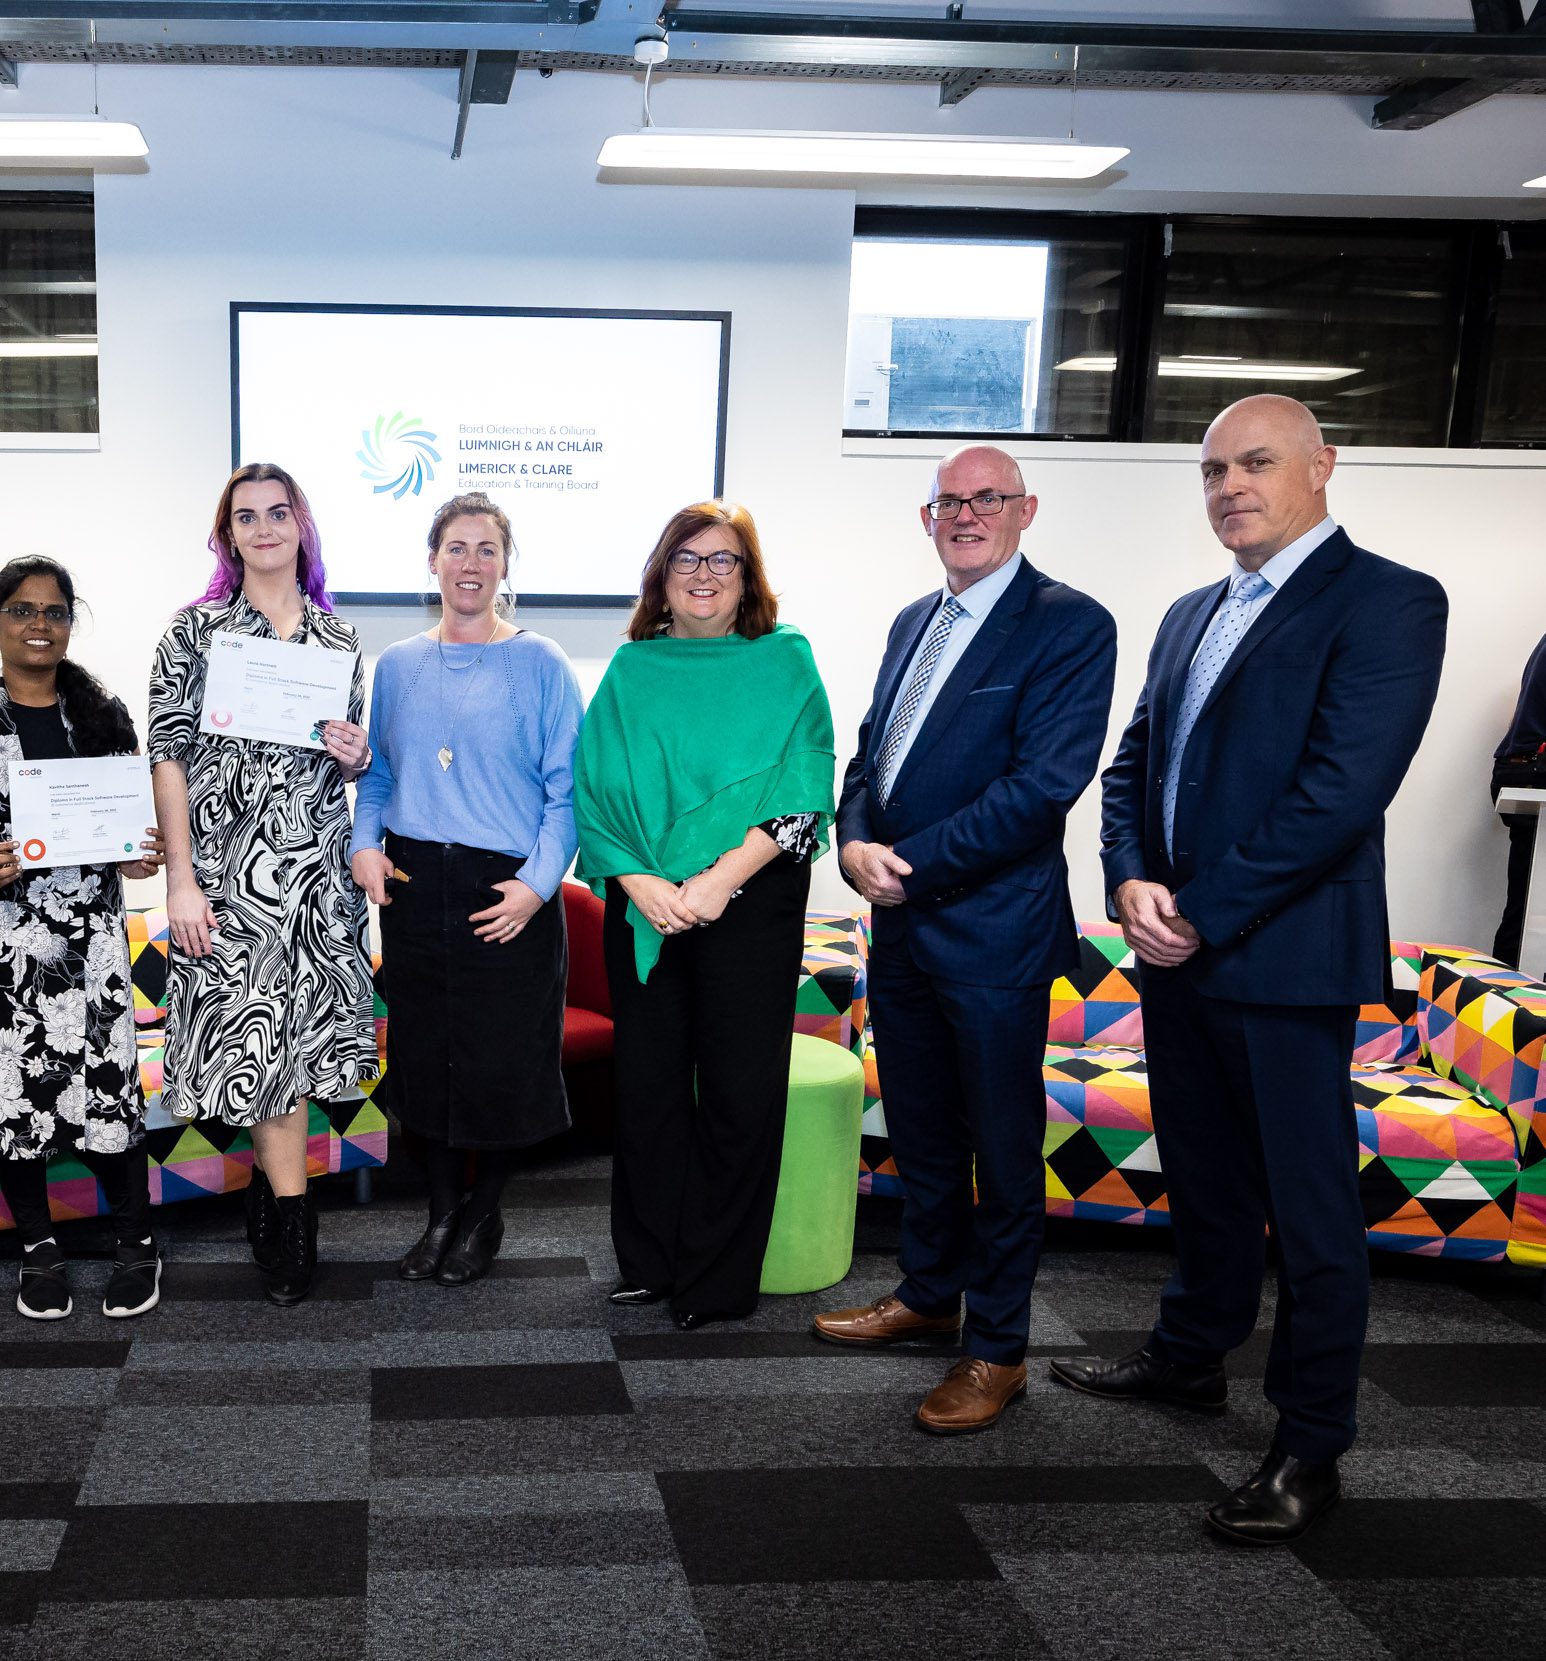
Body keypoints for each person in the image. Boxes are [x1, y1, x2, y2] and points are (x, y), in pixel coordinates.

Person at [1065, 394, 1447, 1545]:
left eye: (1257, 462)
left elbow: (1339, 791)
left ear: (1322, 466)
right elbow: (1135, 761)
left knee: (1310, 1206)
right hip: (1173, 951)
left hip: (1281, 958)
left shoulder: (1387, 599)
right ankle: (1190, 1356)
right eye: (1213, 468)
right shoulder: (1192, 611)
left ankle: (1309, 1442)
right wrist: (1129, 880)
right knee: (1206, 1176)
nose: (1230, 484)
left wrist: (1197, 911)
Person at [814, 446, 1117, 1435]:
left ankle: (997, 1349)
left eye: (987, 498)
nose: (967, 513)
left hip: (991, 934)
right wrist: (854, 837)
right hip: (899, 928)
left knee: (1001, 1146)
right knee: (925, 1134)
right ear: (925, 515)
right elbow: (871, 755)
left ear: (1025, 510)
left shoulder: (1068, 625)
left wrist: (908, 861)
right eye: (950, 499)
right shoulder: (914, 622)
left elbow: (1041, 787)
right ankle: (927, 1290)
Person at [574, 500, 835, 1331]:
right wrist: (637, 881)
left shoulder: (784, 661)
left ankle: (718, 1280)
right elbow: (594, 794)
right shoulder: (631, 669)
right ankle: (650, 1264)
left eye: (723, 560)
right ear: (661, 576)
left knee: (737, 1092)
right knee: (648, 1090)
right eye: (686, 559)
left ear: (748, 577)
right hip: (643, 907)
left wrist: (721, 878)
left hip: (749, 904)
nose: (704, 575)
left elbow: (805, 788)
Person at [0, 557, 166, 1321]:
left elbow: (120, 829)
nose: (39, 625)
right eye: (22, 611)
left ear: (69, 624)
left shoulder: (103, 711)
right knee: (10, 1096)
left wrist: (136, 852)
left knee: (108, 1087)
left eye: (54, 612)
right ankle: (38, 1248)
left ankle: (136, 1242)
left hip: (89, 946)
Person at [149, 462, 378, 1306]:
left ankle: (274, 1200)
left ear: (300, 525)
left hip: (315, 878)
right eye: (246, 516)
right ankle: (295, 1219)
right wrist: (181, 880)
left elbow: (349, 760)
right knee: (255, 1052)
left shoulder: (339, 639)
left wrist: (357, 756)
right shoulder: (194, 632)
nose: (264, 527)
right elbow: (167, 758)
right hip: (225, 877)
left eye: (278, 512)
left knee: (298, 1055)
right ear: (229, 535)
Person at [351, 493, 584, 1286]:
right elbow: (379, 777)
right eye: (456, 548)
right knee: (427, 1059)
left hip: (507, 889)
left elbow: (567, 796)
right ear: (432, 560)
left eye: (487, 549)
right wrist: (364, 845)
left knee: (502, 1061)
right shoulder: (398, 665)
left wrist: (535, 888)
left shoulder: (543, 663)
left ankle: (486, 1210)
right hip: (417, 885)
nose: (471, 564)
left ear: (505, 564)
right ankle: (440, 1212)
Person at [1488, 630, 1546, 966]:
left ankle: (1508, 1004)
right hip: (1531, 773)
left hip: (1522, 769)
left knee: (1524, 910)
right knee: (1526, 913)